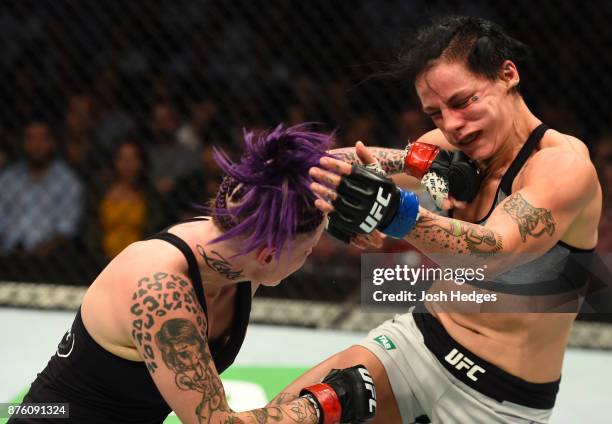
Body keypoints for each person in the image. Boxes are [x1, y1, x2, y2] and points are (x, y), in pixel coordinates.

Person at [274, 16, 602, 423]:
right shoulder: (452, 150)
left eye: (464, 102)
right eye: (435, 114)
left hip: (498, 399)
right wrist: (291, 167)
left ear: (507, 74)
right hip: (417, 344)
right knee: (285, 413)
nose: (452, 125)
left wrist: (393, 212)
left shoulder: (561, 168)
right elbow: (371, 165)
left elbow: (492, 253)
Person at [10, 124, 377, 424]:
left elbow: (313, 166)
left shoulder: (241, 237)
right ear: (269, 255)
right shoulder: (160, 289)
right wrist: (324, 403)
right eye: (309, 249)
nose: (313, 255)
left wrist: (414, 171)